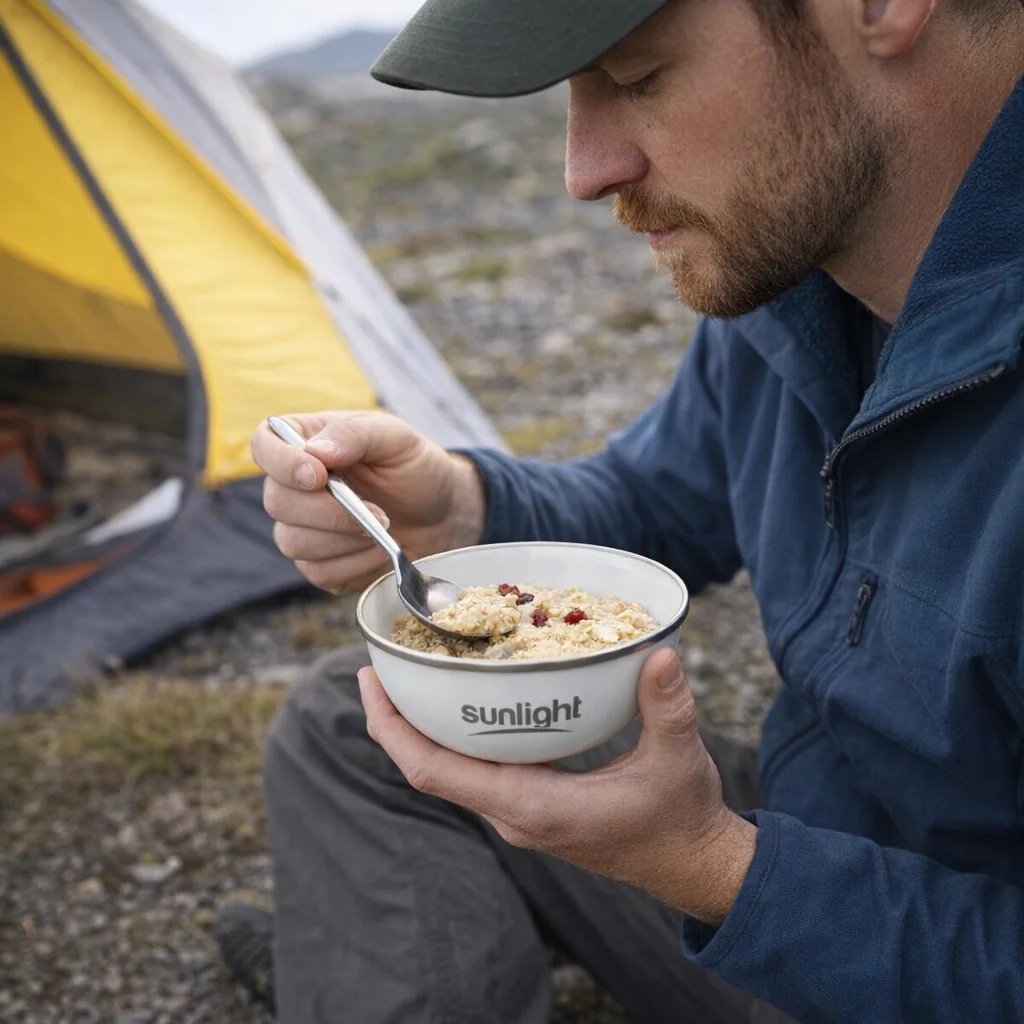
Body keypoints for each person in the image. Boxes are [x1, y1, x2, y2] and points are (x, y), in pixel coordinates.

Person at [217, 0, 1024, 1020]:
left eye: (637, 78)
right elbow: (659, 501)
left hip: (895, 945)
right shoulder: (806, 255)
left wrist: (713, 866)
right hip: (808, 820)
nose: (584, 170)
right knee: (353, 719)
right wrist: (458, 508)